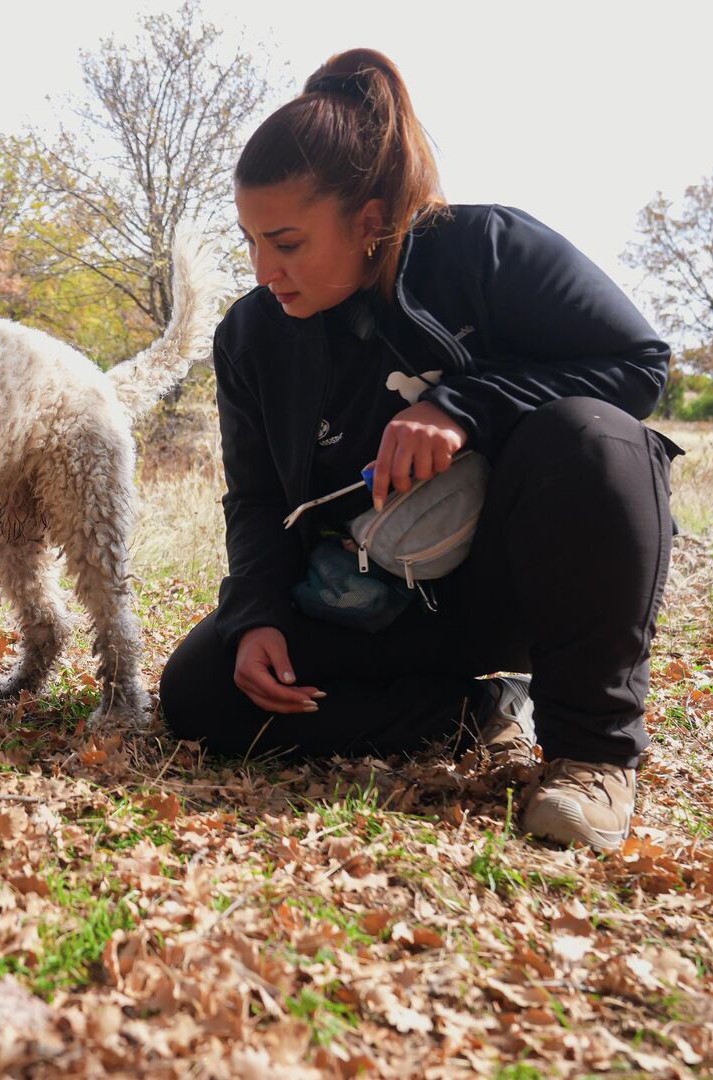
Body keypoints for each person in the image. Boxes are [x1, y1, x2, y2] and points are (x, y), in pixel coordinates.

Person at [160, 49, 680, 852]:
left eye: (289, 243)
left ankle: (593, 758)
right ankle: (481, 712)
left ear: (369, 220)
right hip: (372, 602)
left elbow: (639, 365)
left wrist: (463, 406)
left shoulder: (486, 249)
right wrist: (256, 615)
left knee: (594, 436)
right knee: (202, 693)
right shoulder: (250, 336)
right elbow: (257, 497)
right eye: (252, 241)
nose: (265, 271)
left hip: (512, 590)